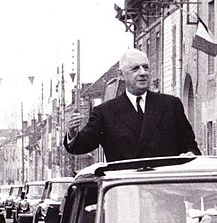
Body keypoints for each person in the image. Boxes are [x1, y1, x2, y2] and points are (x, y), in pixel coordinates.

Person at [63, 48, 199, 161]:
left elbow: (190, 146)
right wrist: (72, 132)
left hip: (162, 188)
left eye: (145, 67)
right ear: (121, 75)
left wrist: (190, 155)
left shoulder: (170, 105)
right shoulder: (105, 112)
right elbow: (81, 146)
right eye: (135, 69)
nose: (143, 73)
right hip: (125, 188)